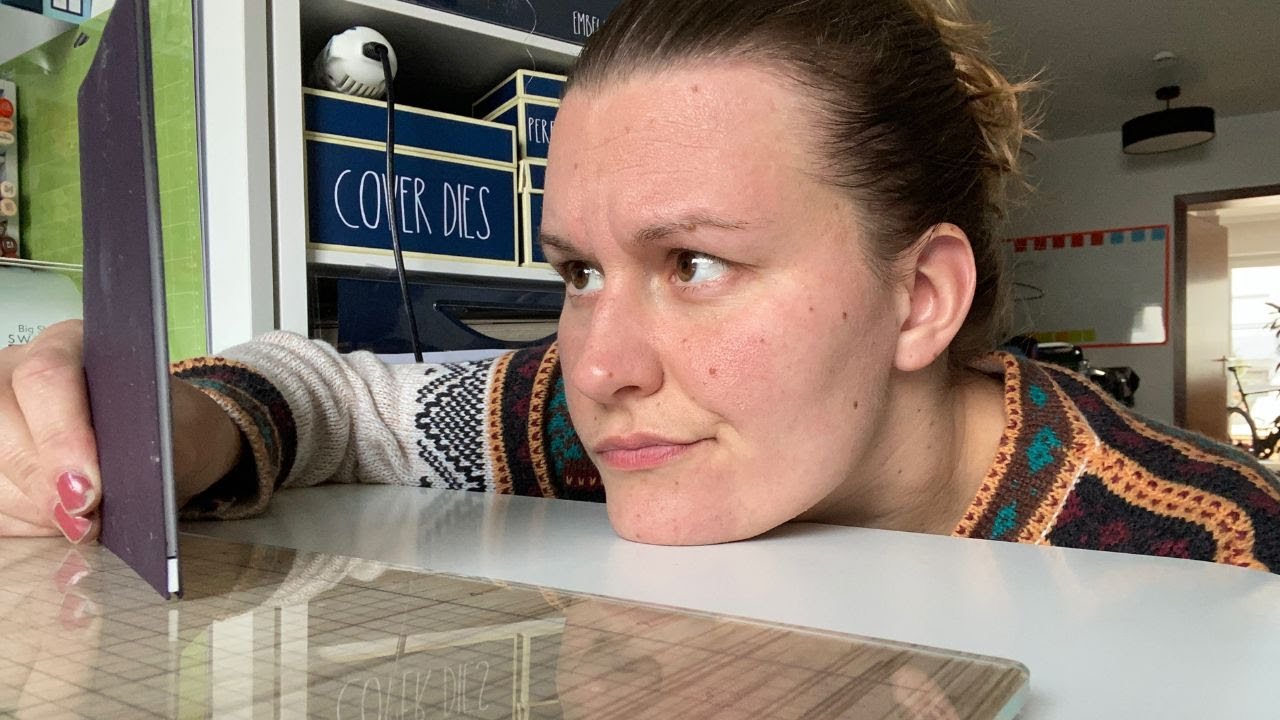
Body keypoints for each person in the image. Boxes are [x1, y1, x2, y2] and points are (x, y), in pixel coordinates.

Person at [2, 0, 1277, 572]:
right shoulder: (604, 425)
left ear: (919, 299)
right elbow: (347, 402)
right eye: (578, 270)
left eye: (694, 264)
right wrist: (171, 425)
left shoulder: (1219, 549)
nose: (599, 365)